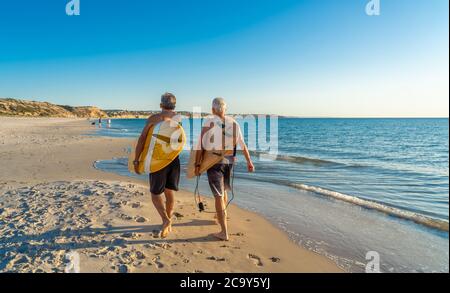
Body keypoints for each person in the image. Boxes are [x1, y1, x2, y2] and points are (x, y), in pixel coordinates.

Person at [195, 97, 255, 241]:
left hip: (214, 162)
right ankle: (220, 216)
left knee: (218, 196)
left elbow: (201, 145)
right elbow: (242, 145)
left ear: (212, 109)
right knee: (224, 191)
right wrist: (249, 162)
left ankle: (223, 232)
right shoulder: (234, 123)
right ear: (225, 110)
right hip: (229, 162)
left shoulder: (209, 122)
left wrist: (197, 164)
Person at [134, 93, 181, 238]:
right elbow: (179, 140)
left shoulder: (153, 119)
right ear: (174, 105)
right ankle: (168, 221)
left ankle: (166, 220)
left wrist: (137, 160)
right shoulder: (179, 119)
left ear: (161, 105)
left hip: (157, 160)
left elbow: (143, 139)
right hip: (173, 159)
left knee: (155, 194)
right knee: (169, 191)